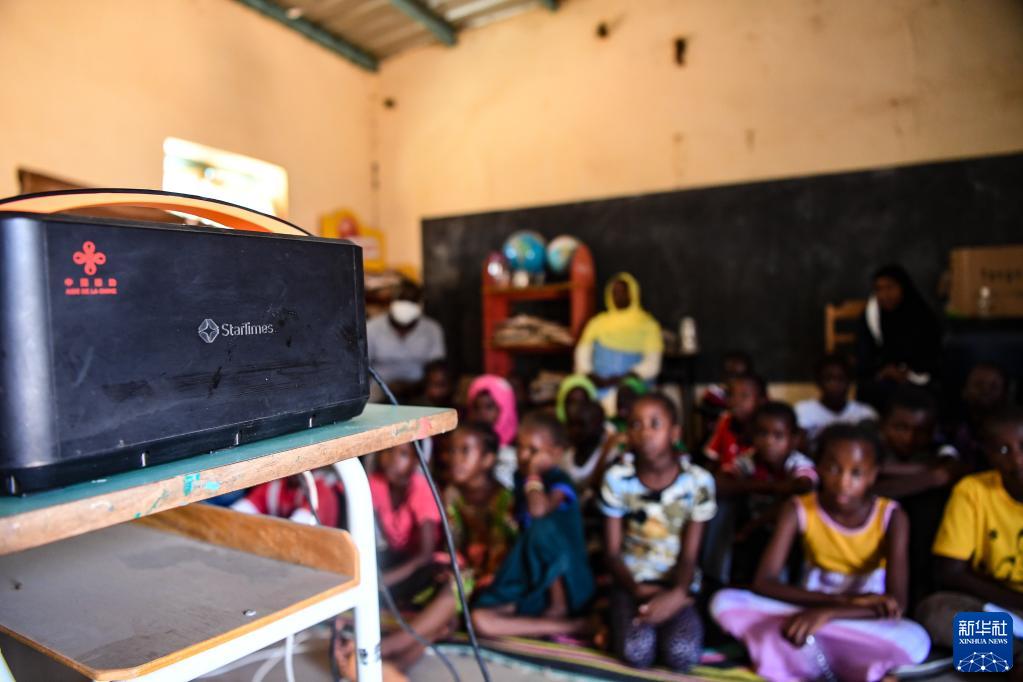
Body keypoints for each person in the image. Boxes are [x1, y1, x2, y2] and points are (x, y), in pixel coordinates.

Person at [711, 424, 930, 681]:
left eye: (856, 473)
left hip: (860, 619)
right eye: (834, 469)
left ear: (873, 475)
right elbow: (764, 581)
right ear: (819, 468)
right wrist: (840, 603)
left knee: (916, 641)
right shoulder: (798, 509)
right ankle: (846, 664)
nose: (843, 482)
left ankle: (806, 658)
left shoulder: (891, 516)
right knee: (724, 602)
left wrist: (827, 614)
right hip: (809, 607)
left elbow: (896, 603)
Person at [378, 422, 517, 669]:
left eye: (465, 451)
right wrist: (451, 564)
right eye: (452, 450)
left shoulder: (504, 499)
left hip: (498, 581)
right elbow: (453, 543)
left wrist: (467, 573)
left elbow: (501, 555)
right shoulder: (453, 494)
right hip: (463, 577)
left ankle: (385, 648)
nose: (455, 459)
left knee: (455, 588)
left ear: (487, 460)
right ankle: (397, 666)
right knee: (446, 603)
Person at [601, 393, 715, 671]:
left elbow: (690, 557)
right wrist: (635, 589)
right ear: (628, 434)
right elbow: (612, 553)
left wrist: (676, 595)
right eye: (636, 425)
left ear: (675, 433)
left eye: (655, 424)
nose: (645, 433)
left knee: (681, 654)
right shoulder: (617, 479)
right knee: (637, 651)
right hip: (631, 582)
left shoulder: (697, 482)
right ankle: (607, 617)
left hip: (678, 584)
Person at [472, 413, 595, 638]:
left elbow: (538, 510)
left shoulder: (559, 481)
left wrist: (534, 475)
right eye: (520, 447)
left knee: (542, 530)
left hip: (568, 584)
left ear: (556, 453)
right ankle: (569, 627)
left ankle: (558, 607)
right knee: (480, 620)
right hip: (531, 580)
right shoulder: (520, 479)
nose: (524, 456)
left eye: (533, 450)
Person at [917, 406, 1023, 654]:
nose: (1017, 459)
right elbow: (950, 572)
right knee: (934, 613)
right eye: (1003, 450)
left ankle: (1004, 659)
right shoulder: (972, 491)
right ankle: (1015, 656)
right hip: (1002, 605)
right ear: (988, 454)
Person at [709, 402, 817, 585]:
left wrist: (752, 525)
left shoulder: (797, 462)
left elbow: (803, 487)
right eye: (762, 434)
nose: (769, 442)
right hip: (755, 529)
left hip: (789, 534)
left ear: (793, 439)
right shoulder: (749, 459)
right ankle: (717, 577)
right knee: (721, 505)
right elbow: (719, 484)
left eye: (778, 436)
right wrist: (774, 487)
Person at [856, 264, 942, 411]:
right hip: (884, 376)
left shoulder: (921, 314)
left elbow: (932, 353)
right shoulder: (871, 317)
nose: (884, 295)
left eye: (890, 287)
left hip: (918, 375)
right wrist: (884, 370)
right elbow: (864, 354)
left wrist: (908, 372)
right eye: (878, 289)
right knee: (869, 390)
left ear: (903, 288)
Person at [574, 273, 663, 404]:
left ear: (633, 293)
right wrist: (591, 376)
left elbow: (652, 363)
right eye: (615, 292)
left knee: (626, 396)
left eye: (623, 292)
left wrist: (625, 378)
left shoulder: (649, 325)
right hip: (599, 384)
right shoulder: (597, 323)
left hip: (632, 385)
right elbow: (582, 354)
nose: (619, 296)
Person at [367, 280, 446, 401]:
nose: (406, 306)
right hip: (379, 387)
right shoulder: (371, 328)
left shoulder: (432, 329)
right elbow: (364, 366)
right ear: (391, 302)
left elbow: (436, 365)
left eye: (411, 301)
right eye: (402, 299)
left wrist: (422, 386)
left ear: (420, 304)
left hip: (419, 388)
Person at [795, 354, 877, 449]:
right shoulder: (802, 411)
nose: (835, 385)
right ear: (818, 382)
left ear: (849, 382)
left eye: (841, 379)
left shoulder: (865, 413)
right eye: (828, 379)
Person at [944, 363, 1010, 472]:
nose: (985, 391)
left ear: (1005, 394)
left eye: (994, 387)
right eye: (978, 385)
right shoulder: (950, 427)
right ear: (964, 391)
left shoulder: (1013, 431)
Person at [704, 373, 766, 470]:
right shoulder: (726, 421)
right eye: (731, 394)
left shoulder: (767, 430)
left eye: (744, 396)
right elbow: (711, 460)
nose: (735, 401)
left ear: (761, 401)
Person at [466, 375, 519, 489]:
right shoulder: (467, 445)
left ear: (506, 409)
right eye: (476, 408)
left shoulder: (520, 447)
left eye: (489, 407)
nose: (482, 413)